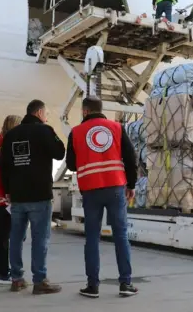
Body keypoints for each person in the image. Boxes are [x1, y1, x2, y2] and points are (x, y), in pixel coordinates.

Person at [65, 96, 139, 298]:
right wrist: (131, 184)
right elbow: (130, 157)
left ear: (85, 111)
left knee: (92, 238)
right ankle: (125, 283)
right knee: (121, 235)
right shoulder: (116, 128)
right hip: (115, 186)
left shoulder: (76, 132)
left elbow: (71, 164)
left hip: (90, 189)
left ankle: (92, 286)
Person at [0, 99, 65, 294]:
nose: (47, 118)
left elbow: (3, 166)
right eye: (46, 114)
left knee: (16, 238)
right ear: (39, 113)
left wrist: (8, 190)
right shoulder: (45, 131)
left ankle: (16, 279)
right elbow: (60, 153)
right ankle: (40, 280)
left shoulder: (11, 135)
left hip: (18, 196)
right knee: (39, 239)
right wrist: (52, 134)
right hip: (40, 195)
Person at [0, 114, 22, 285]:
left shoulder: (4, 144)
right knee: (4, 236)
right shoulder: (10, 144)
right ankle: (3, 273)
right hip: (6, 197)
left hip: (2, 196)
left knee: (3, 235)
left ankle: (2, 270)